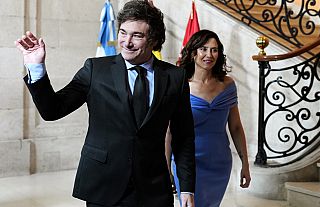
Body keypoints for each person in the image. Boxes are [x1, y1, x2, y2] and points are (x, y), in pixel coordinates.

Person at [14, 0, 196, 206]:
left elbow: (184, 137)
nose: (126, 42)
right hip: (103, 184)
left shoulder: (175, 77)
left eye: (137, 35)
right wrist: (36, 67)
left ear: (154, 39)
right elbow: (52, 110)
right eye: (123, 32)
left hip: (152, 188)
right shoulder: (95, 70)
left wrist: (187, 187)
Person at [170, 29, 251, 207]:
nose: (209, 55)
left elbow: (236, 127)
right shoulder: (180, 84)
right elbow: (169, 131)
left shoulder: (228, 84)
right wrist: (165, 167)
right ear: (193, 53)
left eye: (214, 50)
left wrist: (245, 163)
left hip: (219, 162)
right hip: (188, 162)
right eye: (203, 49)